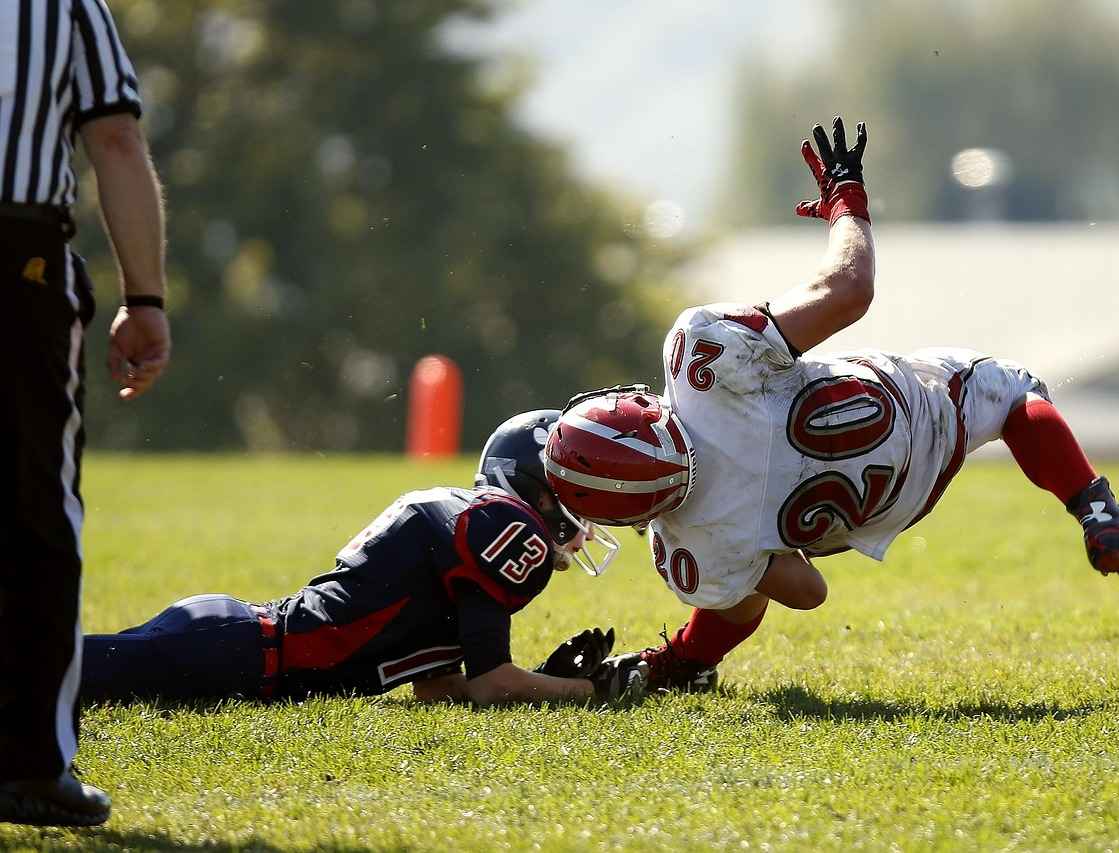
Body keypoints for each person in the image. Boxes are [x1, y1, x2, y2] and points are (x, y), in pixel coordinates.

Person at [543, 116, 1119, 693]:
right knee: (1010, 391)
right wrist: (846, 203)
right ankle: (1098, 514)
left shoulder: (687, 546)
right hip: (910, 407)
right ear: (629, 409)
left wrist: (762, 540)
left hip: (888, 500)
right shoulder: (700, 356)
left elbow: (809, 594)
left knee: (741, 578)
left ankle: (677, 664)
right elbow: (849, 291)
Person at [80, 412, 645, 707]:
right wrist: (591, 692)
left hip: (236, 640)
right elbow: (493, 683)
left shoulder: (474, 516)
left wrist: (542, 682)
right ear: (535, 488)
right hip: (238, 652)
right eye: (568, 487)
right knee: (57, 673)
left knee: (63, 670)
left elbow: (443, 690)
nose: (581, 509)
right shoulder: (505, 526)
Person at [1, 0, 171, 827]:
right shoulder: (64, 7)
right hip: (18, 263)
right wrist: (145, 298)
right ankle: (33, 765)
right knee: (37, 512)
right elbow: (115, 140)